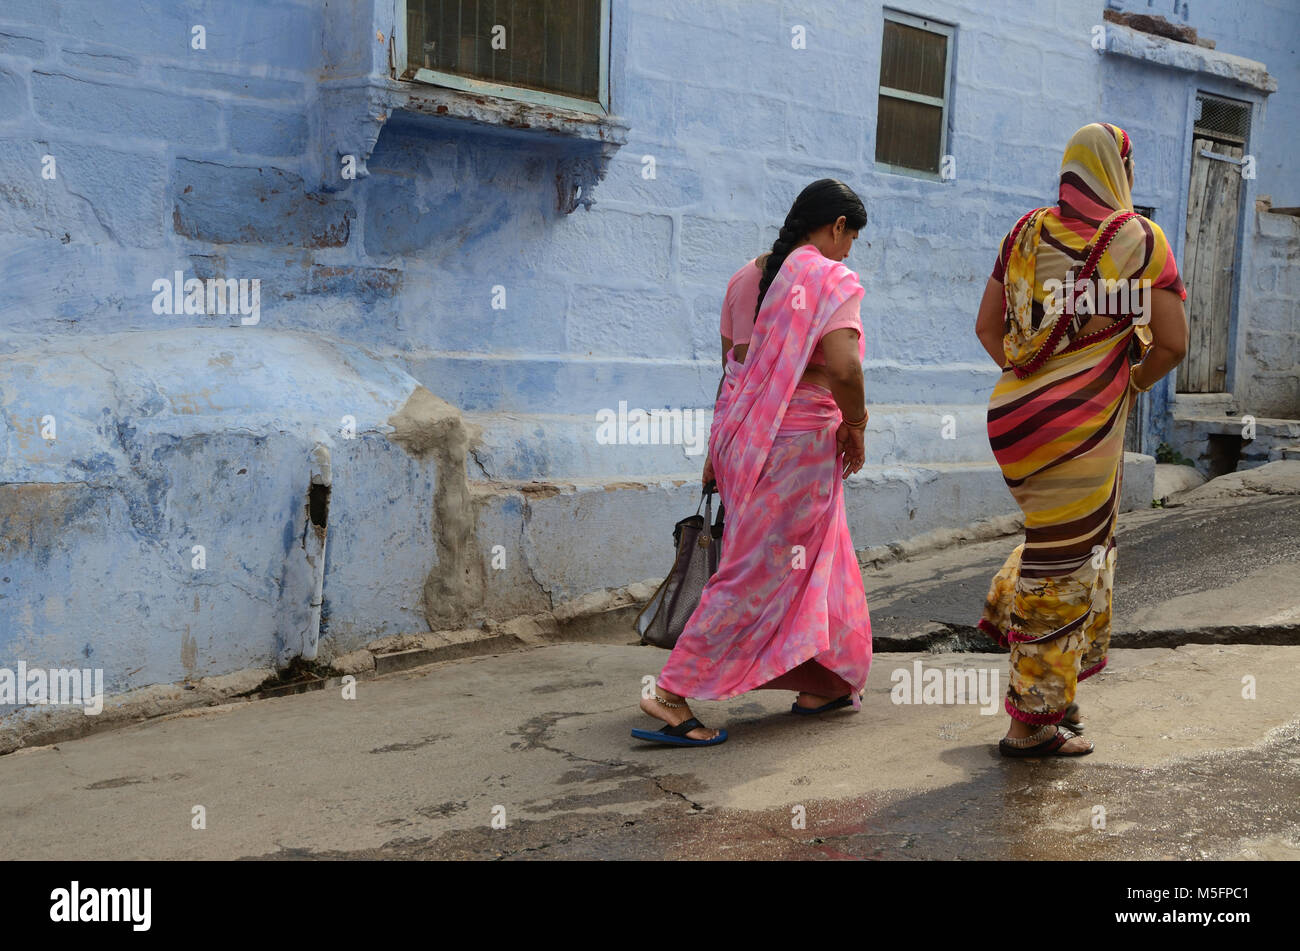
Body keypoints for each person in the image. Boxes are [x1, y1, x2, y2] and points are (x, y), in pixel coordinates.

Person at [972, 123, 1188, 757]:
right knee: (1063, 563)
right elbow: (1172, 342)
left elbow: (988, 327)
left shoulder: (1026, 232)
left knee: (1061, 546)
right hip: (1082, 425)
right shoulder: (1140, 241)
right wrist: (1129, 382)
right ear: (1118, 170)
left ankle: (1055, 693)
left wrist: (1033, 387)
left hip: (1015, 419)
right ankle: (1029, 723)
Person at [632, 179, 873, 747]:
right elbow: (844, 367)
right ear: (837, 226)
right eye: (851, 239)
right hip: (797, 445)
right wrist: (857, 424)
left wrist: (717, 453)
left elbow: (732, 374)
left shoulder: (745, 278)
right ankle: (669, 691)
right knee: (759, 569)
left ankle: (826, 679)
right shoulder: (827, 278)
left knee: (822, 560)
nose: (848, 253)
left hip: (745, 441)